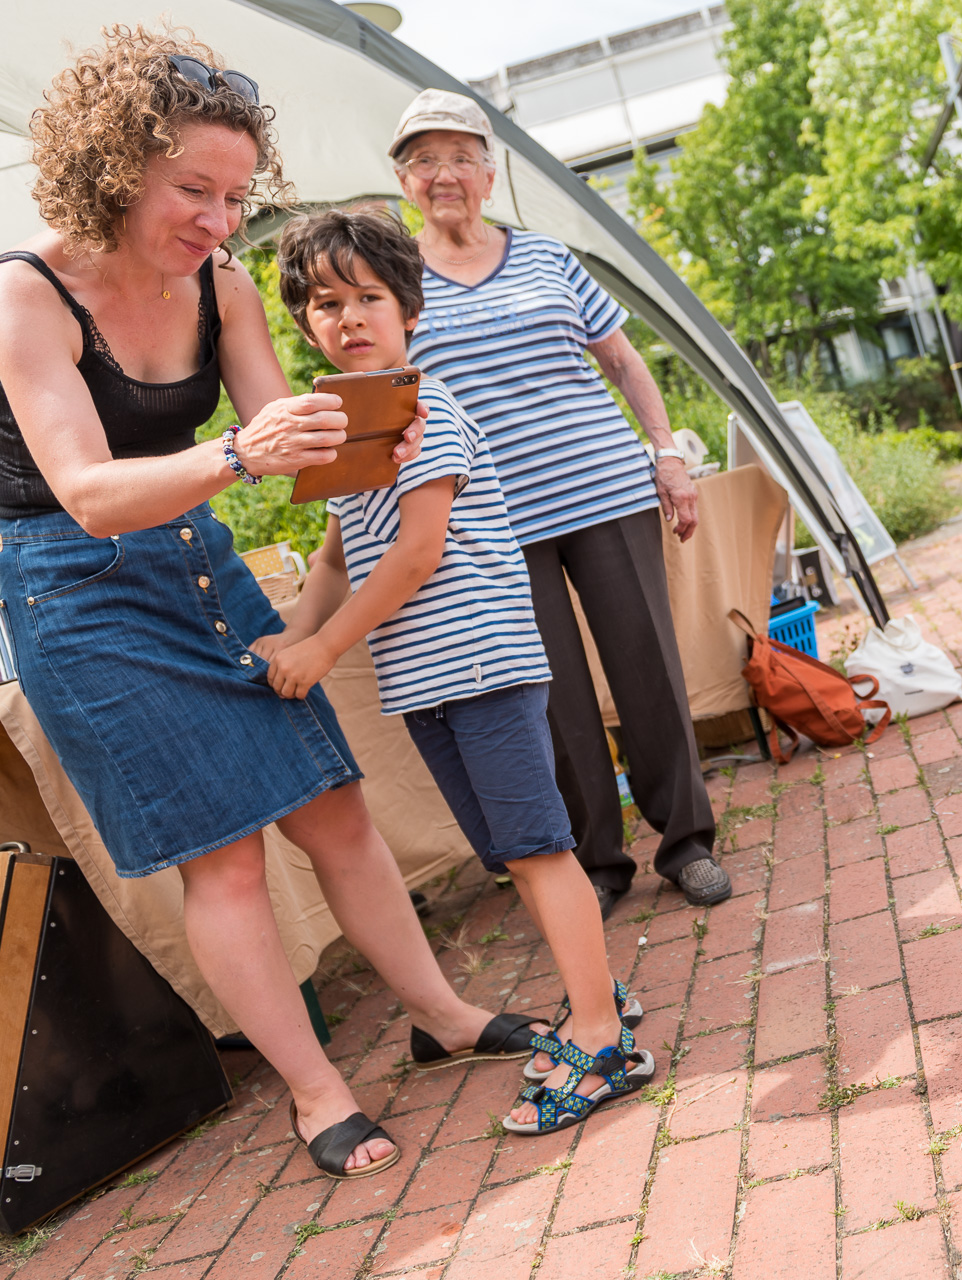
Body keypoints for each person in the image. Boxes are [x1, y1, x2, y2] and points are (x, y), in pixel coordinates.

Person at [0, 27, 546, 1180]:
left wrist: (379, 427)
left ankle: (441, 1014)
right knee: (224, 859)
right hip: (82, 597)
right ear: (115, 165)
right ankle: (317, 1091)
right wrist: (241, 454)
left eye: (236, 196)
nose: (220, 221)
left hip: (196, 557)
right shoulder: (22, 295)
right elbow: (88, 492)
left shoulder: (221, 283)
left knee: (336, 806)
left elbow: (292, 438)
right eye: (195, 190)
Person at [263, 208, 651, 1130]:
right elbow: (336, 557)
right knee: (515, 854)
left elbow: (416, 552)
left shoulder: (424, 410)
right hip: (427, 681)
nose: (350, 317)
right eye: (327, 303)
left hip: (480, 663)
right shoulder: (355, 429)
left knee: (538, 850)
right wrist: (293, 632)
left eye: (369, 297)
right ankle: (597, 995)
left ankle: (602, 1040)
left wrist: (322, 650)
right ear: (306, 325)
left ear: (409, 309)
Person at [389, 90, 729, 919]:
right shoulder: (396, 284)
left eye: (462, 157)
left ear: (490, 173)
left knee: (648, 670)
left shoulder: (547, 256)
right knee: (552, 698)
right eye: (426, 160)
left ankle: (687, 843)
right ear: (403, 180)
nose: (445, 175)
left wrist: (667, 454)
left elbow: (624, 362)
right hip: (493, 525)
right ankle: (597, 862)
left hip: (605, 490)